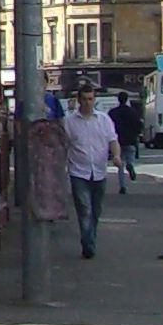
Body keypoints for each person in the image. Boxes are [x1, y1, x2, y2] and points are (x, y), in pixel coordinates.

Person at [62, 87, 120, 257]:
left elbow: (113, 140)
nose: (88, 102)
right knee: (84, 209)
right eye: (85, 99)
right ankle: (88, 244)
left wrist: (116, 156)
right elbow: (64, 145)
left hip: (99, 171)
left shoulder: (104, 120)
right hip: (78, 172)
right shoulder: (70, 122)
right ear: (79, 100)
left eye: (90, 99)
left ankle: (90, 237)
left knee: (96, 210)